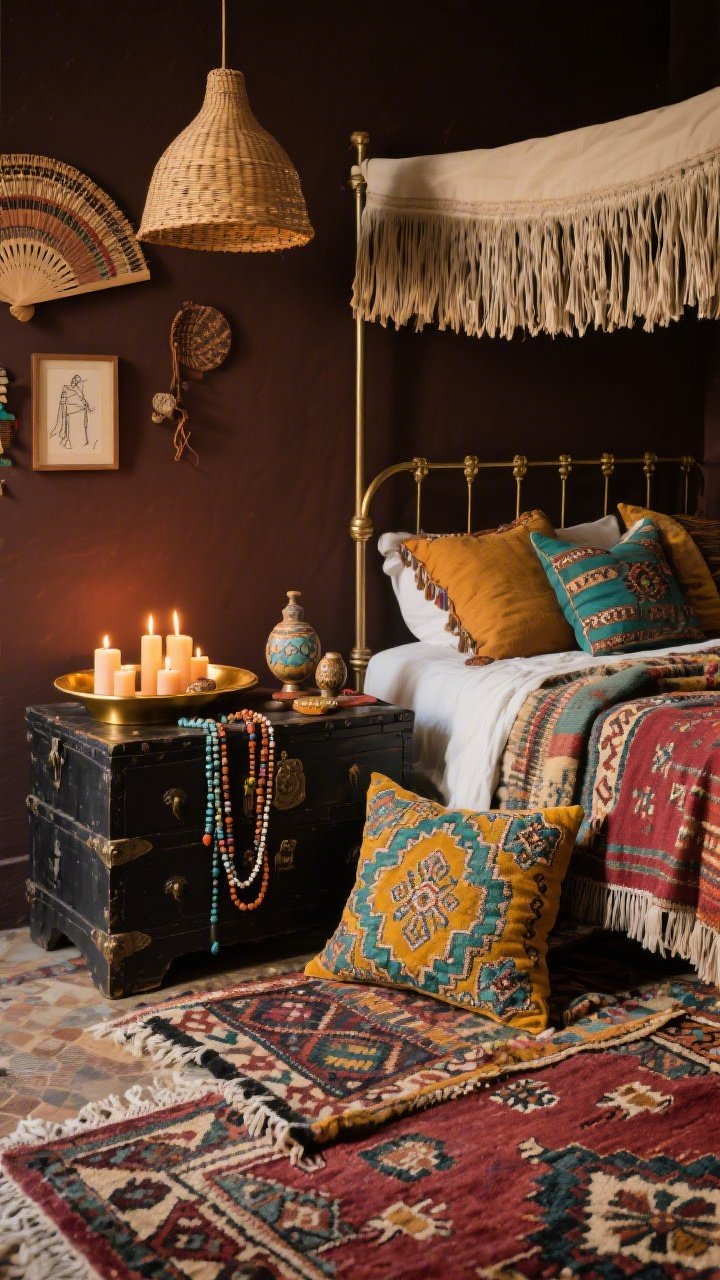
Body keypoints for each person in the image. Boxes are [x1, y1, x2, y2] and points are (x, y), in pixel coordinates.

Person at [50, 374, 93, 449]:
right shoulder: (72, 389)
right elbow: (82, 399)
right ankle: (73, 442)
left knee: (71, 426)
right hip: (72, 410)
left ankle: (72, 442)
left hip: (69, 410)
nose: (79, 383)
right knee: (72, 426)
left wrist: (85, 405)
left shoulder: (66, 388)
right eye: (79, 382)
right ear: (77, 382)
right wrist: (86, 405)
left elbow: (81, 399)